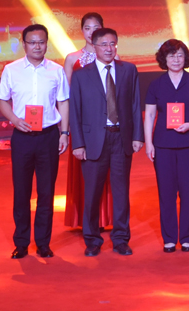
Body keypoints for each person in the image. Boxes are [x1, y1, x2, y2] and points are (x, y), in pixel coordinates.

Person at [0, 24, 69, 259]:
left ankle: (43, 243)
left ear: (47, 43)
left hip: (48, 136)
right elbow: (2, 100)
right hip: (22, 138)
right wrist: (14, 120)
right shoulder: (11, 70)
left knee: (46, 192)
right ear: (24, 44)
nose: (37, 46)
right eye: (32, 42)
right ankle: (21, 242)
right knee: (21, 191)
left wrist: (64, 133)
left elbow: (63, 102)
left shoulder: (56, 70)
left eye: (41, 42)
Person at [69, 27, 143, 256]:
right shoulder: (81, 74)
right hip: (93, 141)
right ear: (94, 47)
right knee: (92, 192)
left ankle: (121, 239)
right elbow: (75, 110)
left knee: (121, 192)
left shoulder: (128, 70)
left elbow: (135, 104)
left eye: (113, 44)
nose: (109, 48)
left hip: (121, 138)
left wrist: (137, 136)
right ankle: (92, 240)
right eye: (104, 44)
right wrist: (78, 143)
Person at [142, 39, 189, 253]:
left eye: (180, 55)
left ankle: (188, 238)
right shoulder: (156, 84)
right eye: (171, 55)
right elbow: (149, 115)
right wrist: (149, 143)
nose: (176, 59)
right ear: (164, 59)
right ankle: (170, 238)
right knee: (166, 192)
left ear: (186, 58)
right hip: (163, 144)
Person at [62, 12, 111, 230]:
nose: (91, 32)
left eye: (96, 27)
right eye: (87, 28)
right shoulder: (72, 58)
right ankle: (84, 220)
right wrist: (67, 128)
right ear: (82, 31)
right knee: (83, 171)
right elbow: (66, 96)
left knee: (105, 171)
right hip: (81, 124)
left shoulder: (111, 56)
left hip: (106, 125)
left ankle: (102, 218)